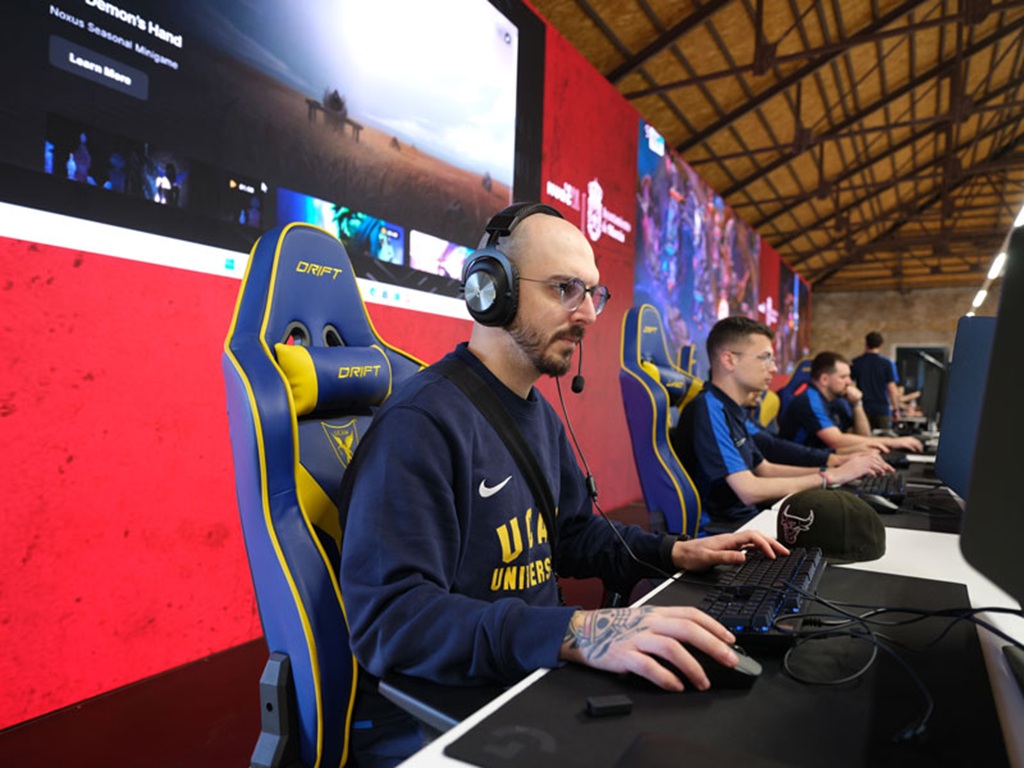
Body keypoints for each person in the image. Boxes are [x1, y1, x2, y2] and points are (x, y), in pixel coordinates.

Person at [337, 204, 787, 766]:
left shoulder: (538, 415)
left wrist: (673, 551)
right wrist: (575, 629)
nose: (589, 314)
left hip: (528, 675)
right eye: (564, 289)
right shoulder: (421, 425)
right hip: (445, 712)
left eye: (593, 293)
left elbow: (572, 534)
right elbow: (393, 621)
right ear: (490, 289)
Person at [671, 317, 891, 534]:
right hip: (725, 532)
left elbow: (765, 469)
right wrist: (832, 477)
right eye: (765, 358)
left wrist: (833, 470)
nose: (774, 368)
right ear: (729, 360)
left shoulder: (731, 409)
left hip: (748, 518)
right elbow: (749, 490)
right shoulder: (708, 408)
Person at [778, 351, 923, 453]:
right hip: (798, 468)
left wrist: (857, 404)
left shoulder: (837, 400)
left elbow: (863, 436)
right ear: (824, 379)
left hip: (823, 461)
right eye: (843, 377)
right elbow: (836, 441)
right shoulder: (809, 400)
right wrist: (894, 442)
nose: (849, 382)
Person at [850, 331, 901, 429]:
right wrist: (896, 409)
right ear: (881, 345)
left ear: (866, 344)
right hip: (881, 408)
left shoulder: (856, 363)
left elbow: (849, 383)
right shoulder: (887, 363)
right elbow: (891, 388)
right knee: (884, 436)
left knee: (863, 436)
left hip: (863, 407)